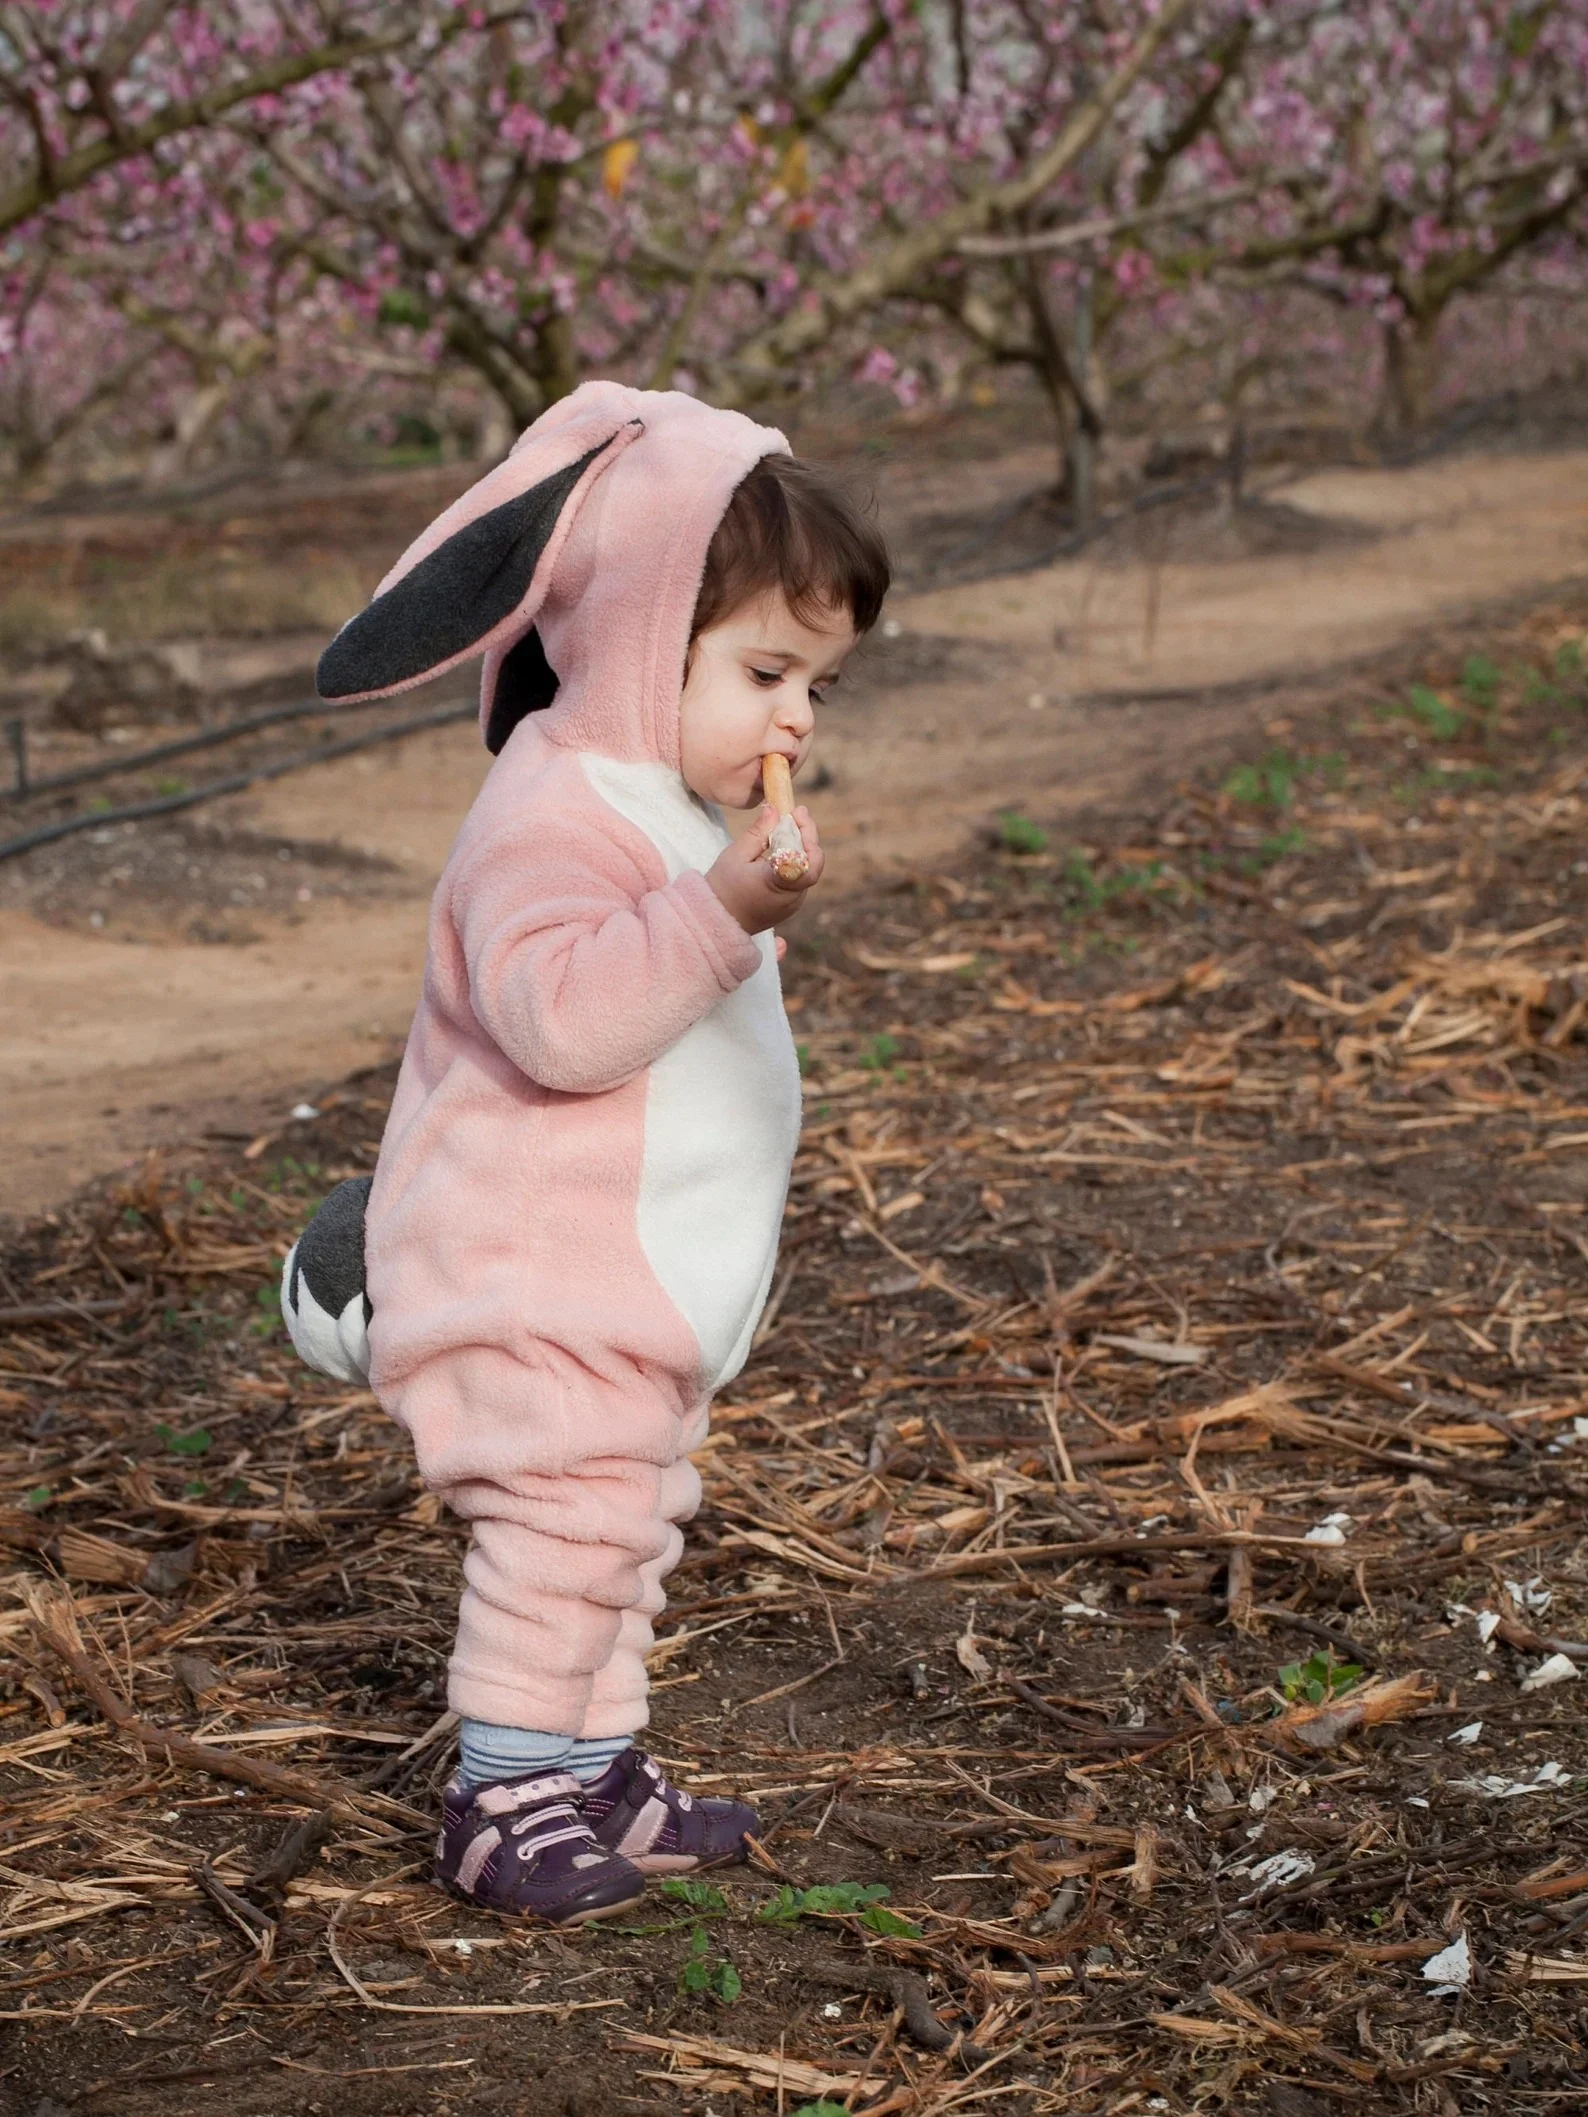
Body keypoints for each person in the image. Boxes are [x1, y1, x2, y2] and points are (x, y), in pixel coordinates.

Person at [283, 382, 890, 1924]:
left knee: (629, 1519)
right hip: (531, 1259)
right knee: (565, 1531)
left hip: (622, 1282)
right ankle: (501, 1789)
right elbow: (556, 1017)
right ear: (633, 637)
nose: (798, 719)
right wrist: (720, 916)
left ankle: (597, 1766)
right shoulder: (556, 813)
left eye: (817, 682)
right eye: (765, 670)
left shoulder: (664, 803)